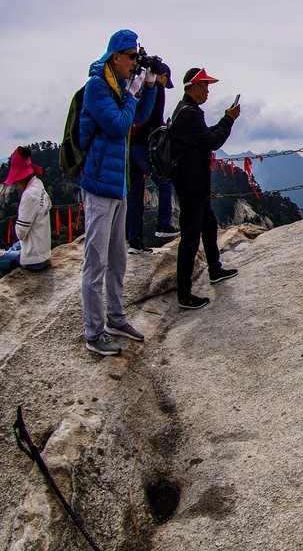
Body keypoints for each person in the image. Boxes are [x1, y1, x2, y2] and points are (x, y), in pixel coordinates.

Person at [79, 29, 158, 355]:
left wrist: (149, 85)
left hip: (118, 186)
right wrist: (132, 92)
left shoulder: (120, 87)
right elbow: (117, 125)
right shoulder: (98, 86)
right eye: (132, 57)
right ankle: (94, 332)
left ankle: (115, 318)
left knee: (117, 260)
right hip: (98, 186)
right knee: (95, 263)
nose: (135, 63)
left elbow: (139, 117)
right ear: (116, 56)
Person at [169, 67, 241, 311]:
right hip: (192, 185)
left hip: (193, 182)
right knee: (190, 237)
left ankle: (215, 269)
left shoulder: (185, 111)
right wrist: (228, 119)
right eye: (206, 85)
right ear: (195, 86)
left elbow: (203, 137)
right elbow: (212, 141)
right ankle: (184, 294)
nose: (209, 90)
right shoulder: (189, 113)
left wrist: (224, 120)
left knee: (208, 226)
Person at [127, 65, 179, 252]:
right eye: (166, 80)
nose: (166, 85)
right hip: (144, 147)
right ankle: (163, 226)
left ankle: (134, 241)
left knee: (134, 196)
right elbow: (155, 119)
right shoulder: (157, 89)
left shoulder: (140, 87)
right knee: (164, 182)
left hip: (130, 146)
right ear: (163, 76)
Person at [6, 147, 51, 273]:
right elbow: (49, 205)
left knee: (2, 259)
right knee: (13, 248)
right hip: (43, 251)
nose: (16, 183)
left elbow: (20, 233)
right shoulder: (38, 184)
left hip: (33, 259)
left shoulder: (29, 195)